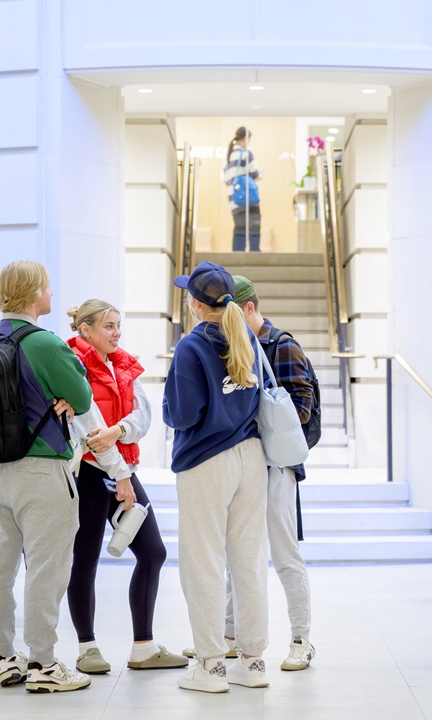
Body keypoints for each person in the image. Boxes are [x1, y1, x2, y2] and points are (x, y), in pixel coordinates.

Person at [0, 260, 94, 693]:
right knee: (46, 569)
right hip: (42, 469)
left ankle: (4, 657)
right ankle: (44, 664)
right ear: (33, 295)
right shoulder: (44, 343)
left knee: (0, 567)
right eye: (47, 287)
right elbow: (82, 398)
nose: (52, 294)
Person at [63, 299, 188, 674]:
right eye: (109, 326)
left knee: (153, 552)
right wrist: (118, 469)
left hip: (122, 470)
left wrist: (120, 431)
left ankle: (143, 648)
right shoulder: (73, 366)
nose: (117, 333)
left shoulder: (123, 364)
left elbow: (142, 414)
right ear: (85, 330)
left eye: (119, 326)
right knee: (84, 561)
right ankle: (87, 649)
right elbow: (88, 430)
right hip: (88, 474)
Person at [163, 261, 270, 693]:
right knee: (248, 562)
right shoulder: (244, 338)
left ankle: (209, 666)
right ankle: (253, 661)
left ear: (195, 303)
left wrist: (167, 407)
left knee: (203, 562)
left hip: (207, 461)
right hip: (251, 457)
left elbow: (183, 413)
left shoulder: (192, 346)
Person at [228, 275, 316, 670]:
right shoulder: (239, 345)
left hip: (277, 466)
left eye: (232, 313)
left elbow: (300, 412)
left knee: (284, 555)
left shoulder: (282, 346)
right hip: (246, 465)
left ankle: (301, 640)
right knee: (239, 554)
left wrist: (253, 420)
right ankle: (228, 636)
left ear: (248, 308)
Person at [223, 126, 262, 252]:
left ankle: (237, 255)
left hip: (233, 197)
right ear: (246, 138)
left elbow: (226, 178)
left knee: (239, 227)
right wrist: (260, 174)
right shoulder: (246, 153)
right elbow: (255, 174)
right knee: (254, 225)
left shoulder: (229, 155)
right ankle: (255, 253)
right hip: (246, 197)